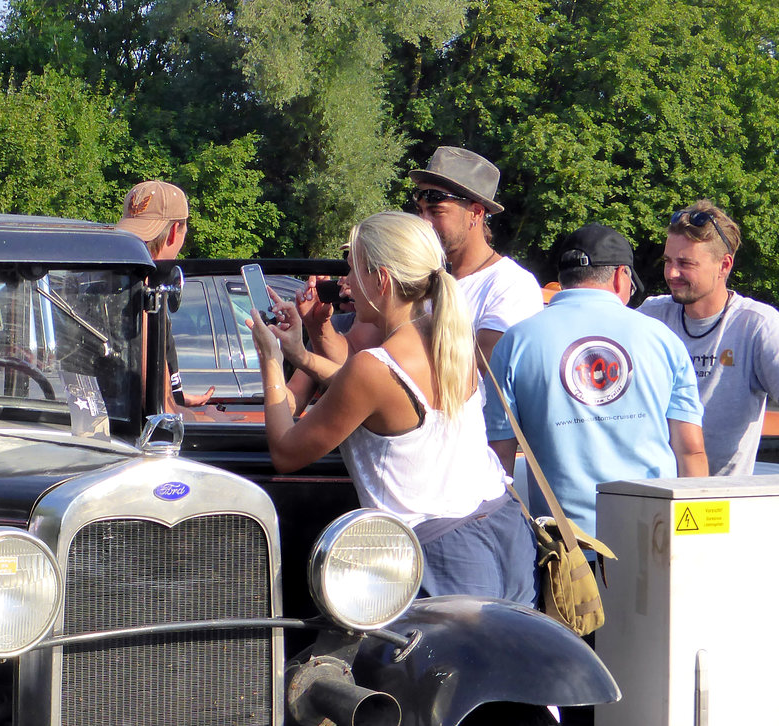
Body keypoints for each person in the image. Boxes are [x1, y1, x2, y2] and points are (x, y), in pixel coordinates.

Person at [250, 210, 534, 604]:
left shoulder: (375, 368)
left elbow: (285, 451)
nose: (346, 283)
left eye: (353, 271)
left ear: (381, 280)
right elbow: (383, 402)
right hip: (503, 527)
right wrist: (303, 351)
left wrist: (270, 359)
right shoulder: (450, 337)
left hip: (439, 553)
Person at [485, 223, 709, 541]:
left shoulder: (515, 342)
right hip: (654, 539)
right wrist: (698, 539)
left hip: (564, 551)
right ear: (621, 276)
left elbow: (498, 460)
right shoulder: (663, 340)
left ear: (564, 278)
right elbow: (691, 453)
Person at [639, 200, 779, 474]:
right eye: (668, 261)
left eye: (685, 263)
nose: (671, 273)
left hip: (723, 500)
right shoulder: (652, 316)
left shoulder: (756, 324)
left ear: (724, 265)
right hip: (651, 494)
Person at [409, 146, 544, 362]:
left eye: (436, 212)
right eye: (420, 211)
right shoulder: (419, 277)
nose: (424, 222)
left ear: (476, 213)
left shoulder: (512, 286)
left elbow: (481, 370)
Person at [114, 180, 216, 407]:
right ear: (173, 232)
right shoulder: (145, 293)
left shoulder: (107, 286)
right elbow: (154, 406)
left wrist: (178, 398)